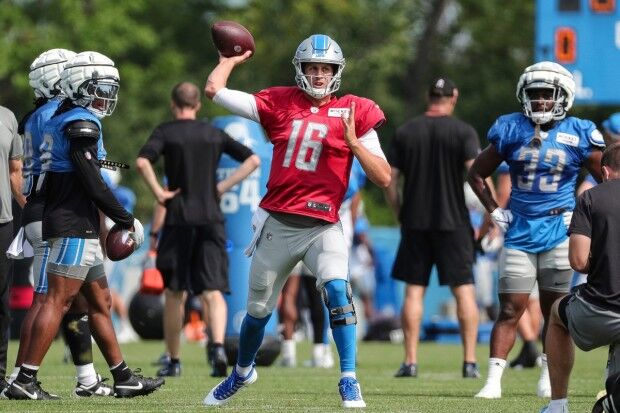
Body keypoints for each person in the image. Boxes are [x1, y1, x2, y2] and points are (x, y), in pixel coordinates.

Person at [203, 33, 390, 408]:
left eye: (326, 68)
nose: (319, 75)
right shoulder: (278, 101)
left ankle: (349, 378)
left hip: (324, 225)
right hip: (278, 222)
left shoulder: (357, 109)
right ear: (301, 69)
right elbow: (214, 90)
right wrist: (230, 58)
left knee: (338, 292)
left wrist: (354, 144)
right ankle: (242, 372)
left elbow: (383, 176)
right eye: (313, 68)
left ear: (336, 72)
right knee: (258, 311)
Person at [5, 51, 164, 400]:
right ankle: (24, 379)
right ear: (78, 86)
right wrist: (125, 218)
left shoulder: (51, 115)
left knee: (99, 300)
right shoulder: (79, 121)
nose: (107, 96)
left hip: (73, 218)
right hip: (70, 220)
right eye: (100, 87)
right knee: (55, 301)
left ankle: (120, 377)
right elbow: (92, 180)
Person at [467, 61, 604, 399]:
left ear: (564, 96)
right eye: (535, 94)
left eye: (547, 94)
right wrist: (496, 212)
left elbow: (608, 181)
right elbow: (476, 173)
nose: (541, 101)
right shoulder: (510, 128)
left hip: (560, 230)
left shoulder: (581, 131)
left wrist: (584, 214)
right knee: (510, 307)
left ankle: (547, 373)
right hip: (520, 231)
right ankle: (493, 381)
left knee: (554, 311)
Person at [6, 48, 114, 397]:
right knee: (51, 301)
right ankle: (23, 379)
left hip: (39, 206)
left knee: (76, 302)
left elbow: (25, 171)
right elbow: (88, 172)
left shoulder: (34, 116)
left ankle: (87, 377)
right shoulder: (68, 115)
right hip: (61, 210)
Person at [136, 81, 260, 378]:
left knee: (175, 292)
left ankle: (174, 360)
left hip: (178, 219)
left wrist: (159, 193)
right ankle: (217, 347)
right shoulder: (213, 133)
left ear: (173, 103)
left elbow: (142, 161)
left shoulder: (166, 132)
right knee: (212, 290)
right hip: (211, 219)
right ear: (198, 105)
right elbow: (253, 159)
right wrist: (222, 186)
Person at [384, 77, 481, 379]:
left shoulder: (406, 131)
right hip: (455, 223)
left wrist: (400, 211)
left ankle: (410, 361)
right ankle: (469, 362)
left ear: (429, 97)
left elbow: (389, 180)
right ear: (454, 97)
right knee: (463, 290)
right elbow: (477, 175)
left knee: (414, 291)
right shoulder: (463, 131)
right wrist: (491, 216)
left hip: (415, 221)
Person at [540, 142, 620, 413]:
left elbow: (577, 261)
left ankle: (558, 405)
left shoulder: (590, 198)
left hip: (599, 309)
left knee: (555, 314)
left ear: (606, 171)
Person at [495, 162, 543, 369]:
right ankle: (530, 349)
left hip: (519, 232)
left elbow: (503, 194)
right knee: (533, 300)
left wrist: (490, 225)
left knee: (513, 297)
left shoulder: (512, 148)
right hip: (547, 230)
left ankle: (530, 344)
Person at [0, 103, 26, 392]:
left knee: (1, 303)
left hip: (2, 222)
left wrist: (28, 209)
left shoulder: (7, 116)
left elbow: (15, 171)